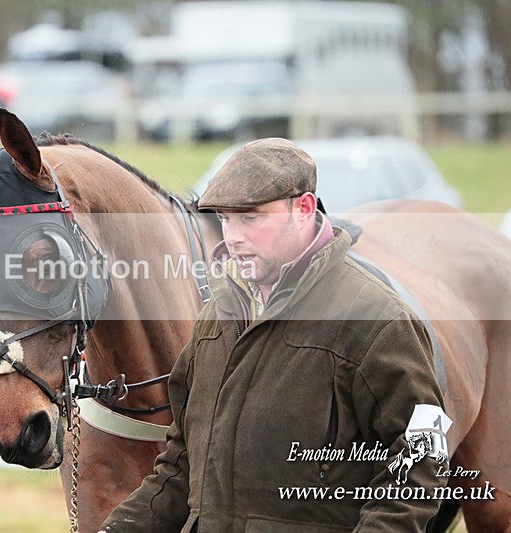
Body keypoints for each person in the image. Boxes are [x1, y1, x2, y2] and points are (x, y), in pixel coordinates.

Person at [99, 138, 448, 532]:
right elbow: (181, 463)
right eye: (226, 220)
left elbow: (422, 464)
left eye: (250, 218)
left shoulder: (378, 321)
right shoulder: (217, 317)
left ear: (304, 209)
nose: (232, 237)